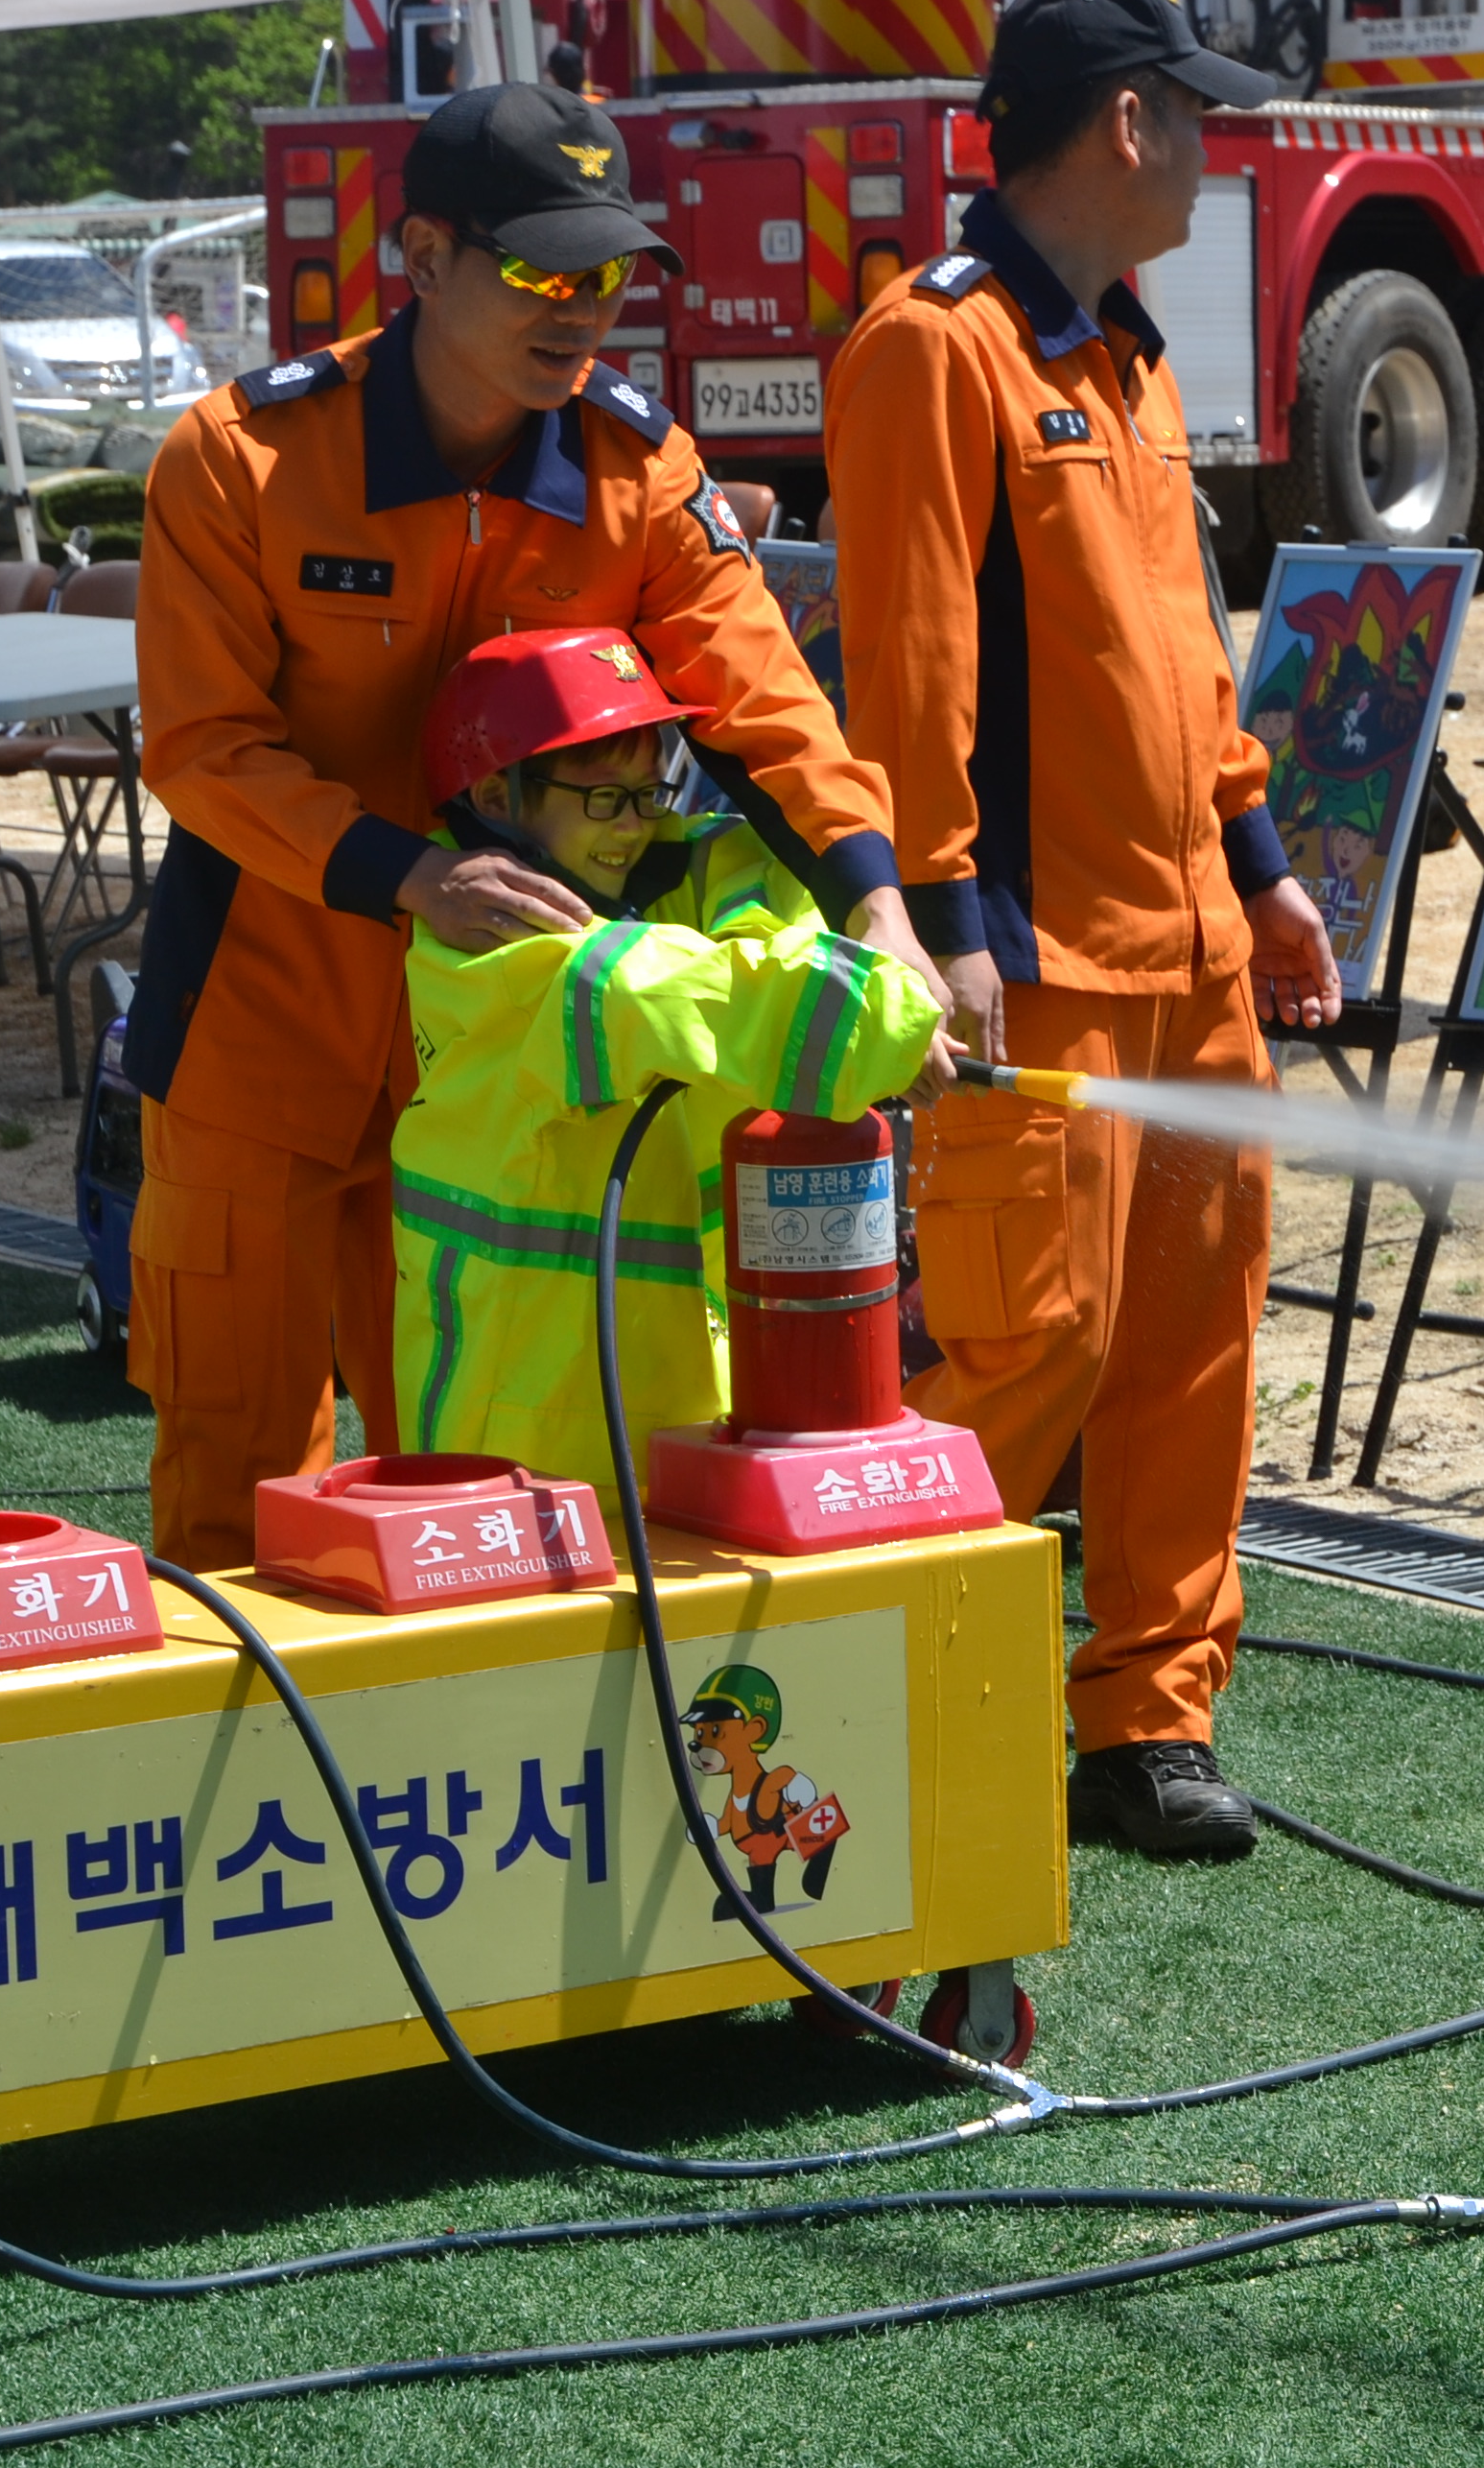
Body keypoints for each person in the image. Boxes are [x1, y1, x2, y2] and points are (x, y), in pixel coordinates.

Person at [127, 79, 936, 1571]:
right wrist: (412, 878)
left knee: (475, 1491)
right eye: (548, 275)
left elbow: (766, 707)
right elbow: (202, 749)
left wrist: (877, 900)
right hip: (255, 1034)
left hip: (508, 1063)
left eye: (612, 278)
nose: (587, 314)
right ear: (425, 258)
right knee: (235, 1500)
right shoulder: (240, 459)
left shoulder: (641, 471)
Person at [820, 0, 1346, 1863]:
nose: (1212, 153)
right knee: (1026, 1339)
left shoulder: (1127, 351)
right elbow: (909, 670)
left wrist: (1262, 877)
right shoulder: (933, 345)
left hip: (1191, 955)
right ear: (1125, 122)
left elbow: (1183, 660)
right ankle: (859, 1691)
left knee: (1191, 1350)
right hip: (1035, 962)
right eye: (1194, 117)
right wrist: (940, 916)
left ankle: (1145, 1721)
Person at [390, 628, 940, 1493]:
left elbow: (758, 875)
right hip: (521, 1417)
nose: (635, 827)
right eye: (605, 799)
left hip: (674, 1382)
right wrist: (884, 1017)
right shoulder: (488, 949)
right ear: (498, 795)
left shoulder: (656, 867)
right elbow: (660, 991)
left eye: (652, 793)